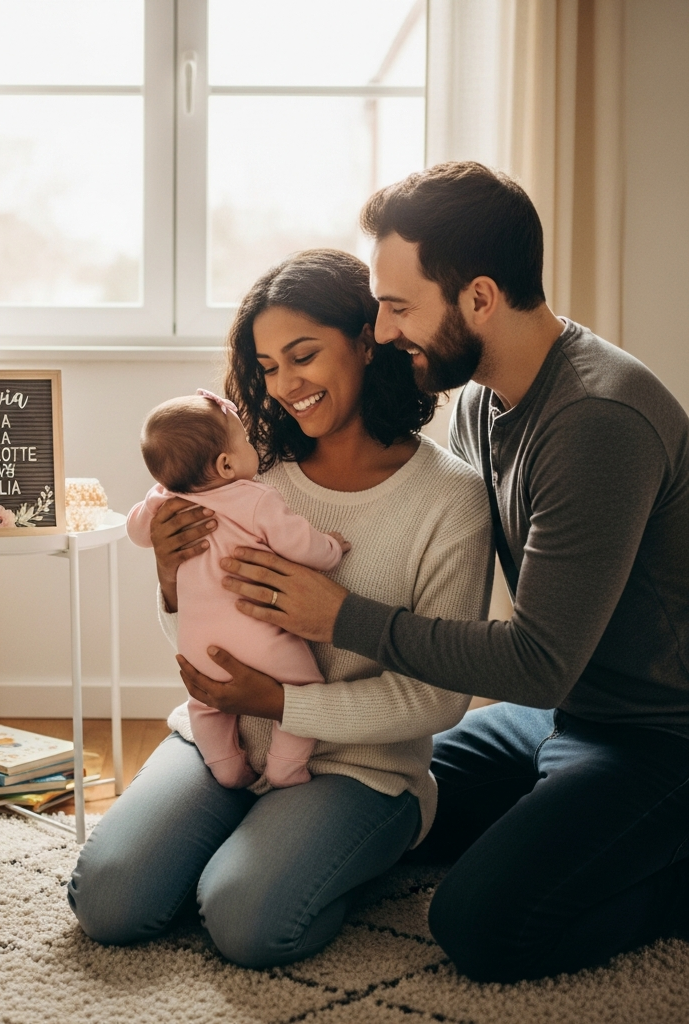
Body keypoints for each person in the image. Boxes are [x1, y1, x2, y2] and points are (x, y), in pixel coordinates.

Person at [215, 163, 689, 983]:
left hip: (660, 735)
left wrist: (340, 617)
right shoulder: (480, 400)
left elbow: (538, 665)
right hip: (572, 717)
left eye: (399, 308)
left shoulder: (596, 421)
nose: (386, 330)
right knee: (398, 814)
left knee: (483, 926)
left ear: (478, 298)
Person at [68, 249, 493, 969]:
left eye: (303, 356)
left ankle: (339, 850)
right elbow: (201, 629)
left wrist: (283, 701)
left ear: (366, 341)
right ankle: (261, 835)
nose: (285, 385)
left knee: (245, 921)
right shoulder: (242, 471)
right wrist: (170, 578)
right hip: (223, 737)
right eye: (267, 367)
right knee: (110, 901)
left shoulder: (449, 500)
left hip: (357, 766)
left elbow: (440, 694)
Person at [127, 388, 348, 790]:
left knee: (206, 705)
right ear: (226, 464)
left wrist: (154, 499)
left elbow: (137, 531)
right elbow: (300, 544)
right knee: (305, 692)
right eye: (245, 440)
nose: (253, 447)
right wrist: (332, 548)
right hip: (258, 636)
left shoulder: (165, 502)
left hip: (197, 644)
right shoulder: (256, 498)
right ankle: (285, 766)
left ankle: (226, 767)